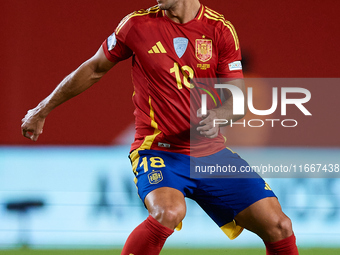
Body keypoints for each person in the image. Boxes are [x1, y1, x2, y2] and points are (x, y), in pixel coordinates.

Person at [21, 0, 299, 254]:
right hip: (159, 152)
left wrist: (218, 116)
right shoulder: (136, 25)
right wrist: (41, 109)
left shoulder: (219, 29)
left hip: (211, 154)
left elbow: (237, 101)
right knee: (168, 212)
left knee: (279, 226)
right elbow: (94, 68)